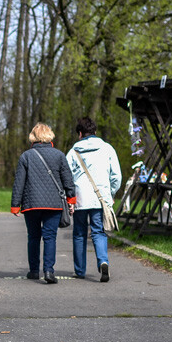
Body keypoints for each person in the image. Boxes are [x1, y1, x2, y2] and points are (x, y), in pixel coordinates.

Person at [11, 123, 75, 284]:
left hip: (31, 203)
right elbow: (68, 180)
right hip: (53, 204)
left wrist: (15, 205)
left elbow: (19, 182)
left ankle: (34, 271)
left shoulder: (26, 156)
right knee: (50, 237)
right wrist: (71, 200)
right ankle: (48, 271)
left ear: (33, 137)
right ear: (49, 136)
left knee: (33, 237)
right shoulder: (59, 155)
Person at [66, 117, 122, 282]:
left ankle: (79, 270)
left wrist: (69, 197)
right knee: (98, 231)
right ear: (95, 132)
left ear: (80, 134)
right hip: (100, 198)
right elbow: (116, 176)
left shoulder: (73, 151)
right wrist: (110, 193)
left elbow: (66, 176)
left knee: (79, 234)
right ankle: (103, 261)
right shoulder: (107, 148)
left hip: (80, 198)